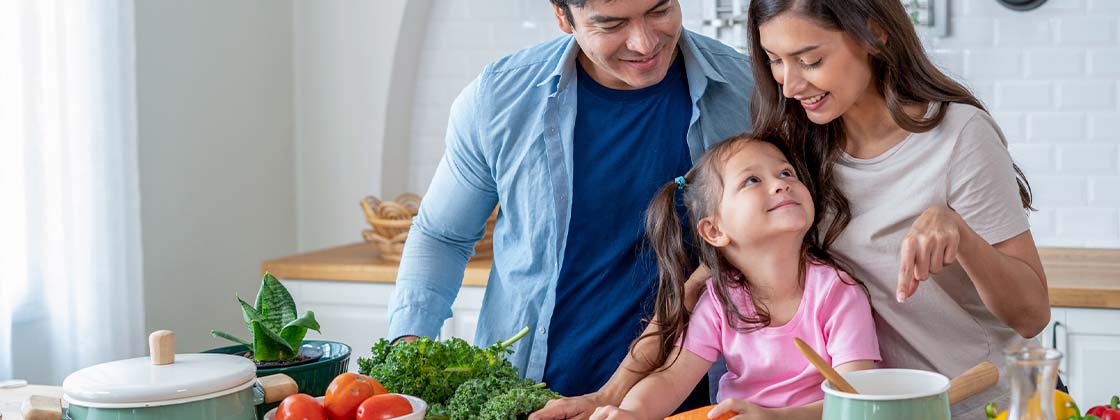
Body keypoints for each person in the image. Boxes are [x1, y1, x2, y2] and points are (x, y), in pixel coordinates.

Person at [386, 0, 753, 412]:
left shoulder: (748, 89)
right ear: (563, 17)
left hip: (701, 404)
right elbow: (442, 236)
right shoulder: (501, 98)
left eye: (659, 10)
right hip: (528, 397)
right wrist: (409, 345)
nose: (645, 42)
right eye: (612, 24)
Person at [746, 0, 1051, 418]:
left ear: (874, 33)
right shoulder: (792, 154)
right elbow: (729, 264)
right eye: (775, 61)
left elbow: (1031, 315)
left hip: (982, 404)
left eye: (810, 60)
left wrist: (959, 233)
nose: (790, 85)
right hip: (873, 410)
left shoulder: (959, 136)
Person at [589, 134, 880, 420]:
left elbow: (854, 401)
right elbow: (671, 378)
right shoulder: (720, 300)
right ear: (714, 231)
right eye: (752, 180)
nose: (781, 184)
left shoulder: (838, 293)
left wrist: (777, 418)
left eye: (786, 172)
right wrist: (632, 412)